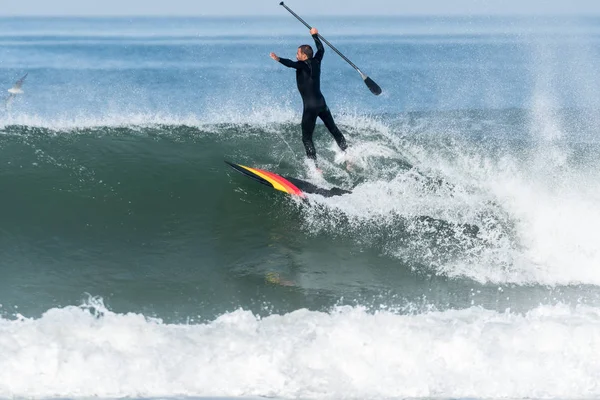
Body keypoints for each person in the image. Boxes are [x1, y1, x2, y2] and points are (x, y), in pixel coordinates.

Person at [270, 27, 347, 164]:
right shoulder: (317, 61)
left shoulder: (302, 65)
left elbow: (290, 64)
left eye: (298, 54)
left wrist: (278, 59)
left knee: (306, 138)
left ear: (304, 56)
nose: (296, 56)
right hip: (322, 104)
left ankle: (315, 167)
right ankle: (348, 153)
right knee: (333, 129)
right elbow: (321, 50)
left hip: (310, 107)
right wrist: (315, 35)